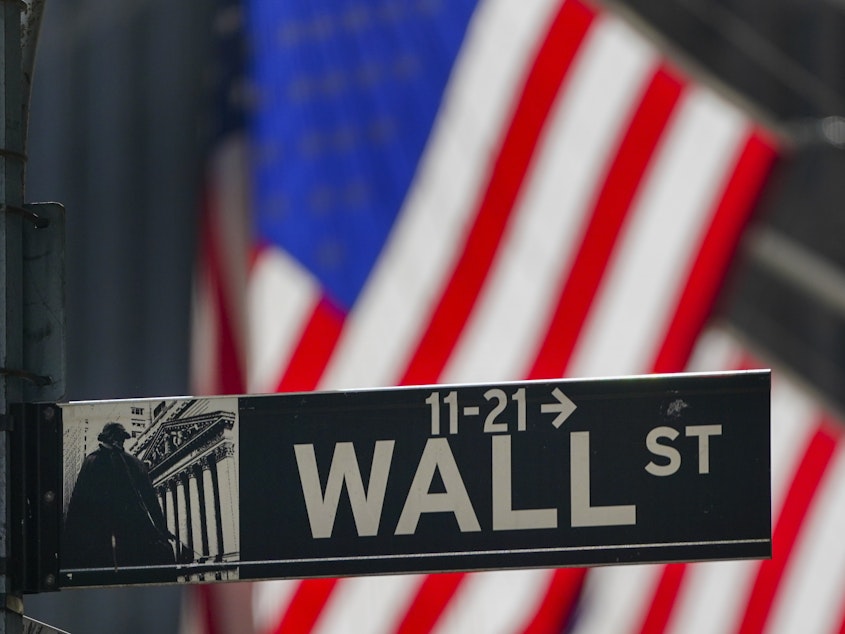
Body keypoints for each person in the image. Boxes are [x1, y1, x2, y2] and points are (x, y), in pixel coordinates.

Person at [62, 421, 176, 569]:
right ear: (108, 438)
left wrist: (162, 529)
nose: (120, 442)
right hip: (103, 531)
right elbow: (79, 503)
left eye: (122, 439)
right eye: (118, 438)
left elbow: (150, 499)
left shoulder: (133, 463)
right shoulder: (93, 461)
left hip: (128, 529)